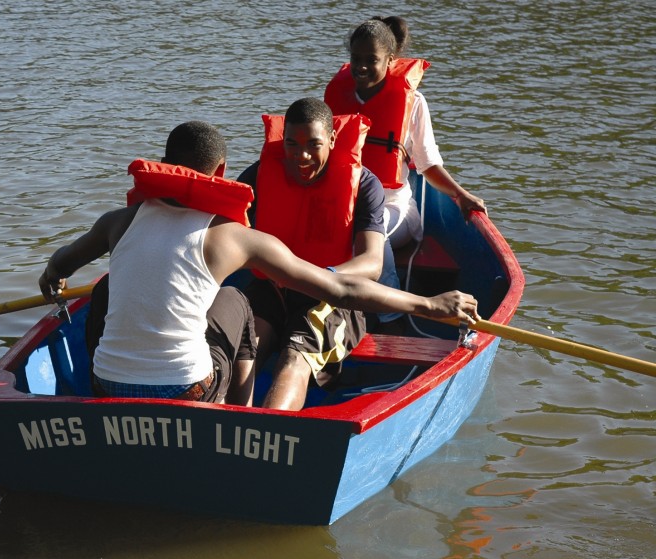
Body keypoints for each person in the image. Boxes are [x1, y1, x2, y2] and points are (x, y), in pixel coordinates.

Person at [38, 120, 478, 409]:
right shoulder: (235, 237)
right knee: (236, 299)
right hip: (188, 391)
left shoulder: (118, 222)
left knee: (106, 288)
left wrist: (52, 278)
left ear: (166, 166)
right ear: (223, 171)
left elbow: (60, 264)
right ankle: (242, 416)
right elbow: (342, 291)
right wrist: (430, 305)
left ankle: (96, 404)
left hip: (105, 387)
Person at [236, 97, 399, 410]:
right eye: (292, 145)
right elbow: (224, 233)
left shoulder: (365, 185)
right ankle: (215, 423)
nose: (302, 156)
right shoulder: (260, 175)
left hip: (333, 296)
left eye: (313, 144)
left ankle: (267, 436)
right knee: (245, 350)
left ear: (333, 139)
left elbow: (372, 264)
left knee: (293, 357)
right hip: (274, 288)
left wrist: (321, 277)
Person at [324, 15, 487, 248]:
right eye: (356, 58)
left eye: (371, 60)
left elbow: (428, 165)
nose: (361, 67)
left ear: (390, 60)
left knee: (364, 234)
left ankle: (386, 282)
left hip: (392, 207)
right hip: (343, 202)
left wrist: (461, 195)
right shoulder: (337, 96)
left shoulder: (415, 102)